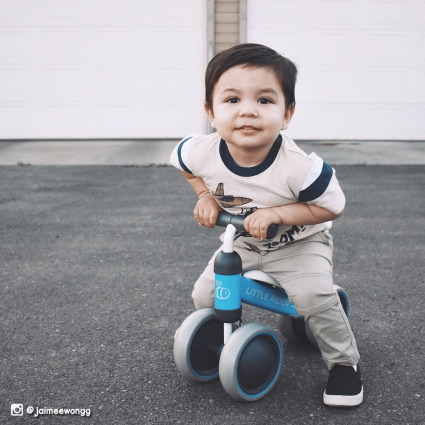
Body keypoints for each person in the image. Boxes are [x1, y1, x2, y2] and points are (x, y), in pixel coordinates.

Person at [170, 43, 363, 406]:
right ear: (211, 112)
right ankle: (225, 342)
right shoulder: (201, 151)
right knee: (204, 295)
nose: (247, 111)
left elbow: (333, 206)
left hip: (299, 243)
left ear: (287, 113)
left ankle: (344, 364)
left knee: (312, 297)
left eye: (264, 100)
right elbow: (182, 163)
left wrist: (278, 214)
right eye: (231, 100)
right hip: (242, 242)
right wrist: (204, 197)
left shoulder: (300, 167)